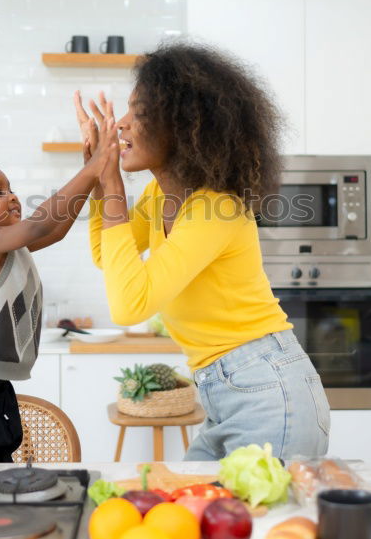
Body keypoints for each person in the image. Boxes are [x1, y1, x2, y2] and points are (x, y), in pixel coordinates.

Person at [76, 42, 330, 460]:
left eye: (137, 113)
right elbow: (109, 257)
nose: (121, 124)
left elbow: (128, 305)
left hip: (268, 390)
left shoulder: (217, 208)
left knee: (259, 525)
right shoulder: (162, 194)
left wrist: (113, 184)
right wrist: (96, 179)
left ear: (181, 125)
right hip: (225, 388)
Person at [0, 119, 117, 462]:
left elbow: (54, 230)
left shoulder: (11, 248)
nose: (12, 196)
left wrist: (92, 173)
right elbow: (41, 223)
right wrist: (91, 169)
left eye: (9, 188)